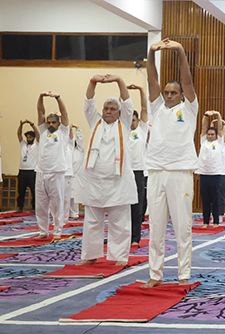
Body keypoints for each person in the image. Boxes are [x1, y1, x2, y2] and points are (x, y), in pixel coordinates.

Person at [143, 38, 199, 287]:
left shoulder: (189, 109)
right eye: (166, 92)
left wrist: (178, 51)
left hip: (180, 172)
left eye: (173, 92)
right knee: (155, 228)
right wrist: (151, 52)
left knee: (182, 228)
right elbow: (151, 79)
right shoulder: (156, 108)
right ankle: (155, 275)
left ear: (181, 95)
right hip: (155, 172)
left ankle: (183, 275)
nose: (168, 95)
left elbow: (187, 80)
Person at [73, 74, 137, 266]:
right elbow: (88, 102)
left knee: (119, 221)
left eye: (112, 109)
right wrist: (93, 81)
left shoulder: (124, 124)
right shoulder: (95, 121)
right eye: (106, 109)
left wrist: (119, 80)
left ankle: (119, 257)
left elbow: (127, 103)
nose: (108, 111)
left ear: (119, 112)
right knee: (92, 220)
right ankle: (90, 256)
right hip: (95, 180)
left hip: (118, 181)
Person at [33, 91, 70, 240]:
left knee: (57, 204)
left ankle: (57, 231)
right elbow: (40, 111)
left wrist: (57, 98)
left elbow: (65, 113)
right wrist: (41, 97)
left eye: (53, 122)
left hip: (56, 172)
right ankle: (43, 231)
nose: (50, 124)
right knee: (41, 205)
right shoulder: (42, 131)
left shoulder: (63, 132)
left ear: (59, 124)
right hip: (41, 172)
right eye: (48, 122)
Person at [196, 111, 225, 228]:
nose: (210, 136)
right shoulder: (203, 141)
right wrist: (205, 116)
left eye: (212, 134)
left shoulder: (219, 142)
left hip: (216, 174)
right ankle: (205, 222)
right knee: (205, 200)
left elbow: (220, 129)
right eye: (208, 134)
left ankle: (215, 222)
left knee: (215, 199)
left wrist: (218, 115)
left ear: (215, 135)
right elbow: (203, 126)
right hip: (204, 173)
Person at [127, 84, 149, 245]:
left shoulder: (141, 130)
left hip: (138, 172)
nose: (131, 123)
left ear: (138, 121)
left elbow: (144, 109)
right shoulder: (122, 130)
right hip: (124, 172)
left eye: (133, 120)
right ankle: (123, 236)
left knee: (137, 206)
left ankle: (135, 237)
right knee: (122, 206)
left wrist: (141, 90)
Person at [16, 120, 39, 213]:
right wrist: (21, 125)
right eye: (27, 137)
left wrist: (32, 124)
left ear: (33, 138)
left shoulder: (36, 145)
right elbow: (19, 134)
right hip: (22, 171)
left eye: (30, 137)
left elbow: (38, 134)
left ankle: (34, 207)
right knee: (21, 191)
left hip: (32, 171)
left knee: (34, 191)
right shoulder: (23, 145)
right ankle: (20, 207)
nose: (28, 139)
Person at [68, 125, 85, 220]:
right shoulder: (67, 150)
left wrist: (77, 129)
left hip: (77, 176)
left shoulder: (80, 150)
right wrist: (69, 130)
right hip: (68, 175)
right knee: (66, 196)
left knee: (75, 197)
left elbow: (80, 139)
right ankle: (66, 214)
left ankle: (74, 213)